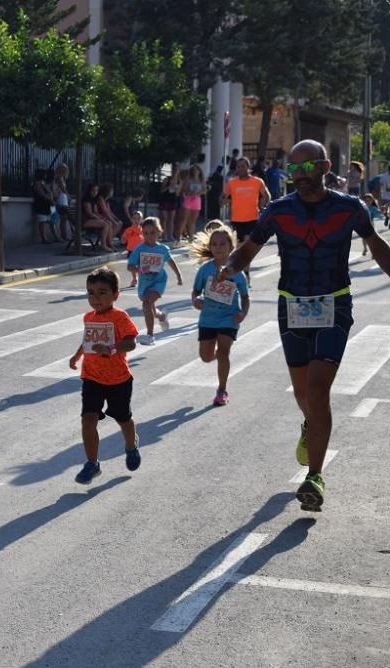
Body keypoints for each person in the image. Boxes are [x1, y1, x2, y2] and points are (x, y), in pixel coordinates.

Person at [216, 139, 390, 512]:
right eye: (292, 170)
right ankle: (311, 426)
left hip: (335, 303)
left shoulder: (350, 208)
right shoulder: (279, 211)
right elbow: (249, 247)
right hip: (291, 305)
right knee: (302, 394)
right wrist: (229, 268)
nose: (299, 176)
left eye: (306, 167)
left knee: (317, 388)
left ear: (325, 167)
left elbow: (376, 246)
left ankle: (314, 476)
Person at [68, 266, 140, 484]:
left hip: (118, 379)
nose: (95, 298)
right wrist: (77, 355)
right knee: (88, 419)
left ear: (115, 295)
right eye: (91, 292)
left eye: (102, 292)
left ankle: (131, 445)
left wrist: (111, 349)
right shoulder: (88, 316)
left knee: (123, 418)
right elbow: (88, 340)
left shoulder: (120, 317)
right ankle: (92, 463)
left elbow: (131, 342)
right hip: (91, 377)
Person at [189, 224, 250, 406]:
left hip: (228, 318)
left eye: (222, 244)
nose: (218, 247)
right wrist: (196, 300)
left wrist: (243, 312)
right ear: (210, 247)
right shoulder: (205, 270)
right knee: (206, 357)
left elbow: (246, 297)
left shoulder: (237, 272)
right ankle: (218, 357)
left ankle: (222, 389)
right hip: (208, 318)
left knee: (223, 352)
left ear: (231, 247)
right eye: (214, 244)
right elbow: (195, 291)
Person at [127, 217, 183, 345]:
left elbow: (170, 261)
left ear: (159, 232)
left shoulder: (162, 249)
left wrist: (178, 275)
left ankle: (150, 336)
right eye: (145, 233)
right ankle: (161, 316)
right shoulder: (139, 249)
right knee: (150, 306)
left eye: (152, 232)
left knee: (146, 304)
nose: (149, 236)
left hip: (158, 282)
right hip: (144, 284)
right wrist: (140, 269)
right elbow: (130, 266)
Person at [220, 156, 269, 285]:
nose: (240, 169)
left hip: (252, 219)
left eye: (243, 166)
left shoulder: (257, 182)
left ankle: (245, 273)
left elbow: (266, 195)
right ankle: (239, 273)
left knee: (246, 247)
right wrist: (224, 200)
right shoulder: (231, 183)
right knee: (238, 249)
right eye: (238, 166)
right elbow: (223, 198)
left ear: (248, 168)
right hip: (236, 220)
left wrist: (264, 205)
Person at [81, 183, 115, 252]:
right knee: (105, 224)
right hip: (84, 221)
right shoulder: (86, 200)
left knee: (109, 223)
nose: (95, 192)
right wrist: (99, 218)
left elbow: (95, 212)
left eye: (96, 191)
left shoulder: (93, 199)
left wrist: (101, 217)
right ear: (89, 190)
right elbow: (89, 213)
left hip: (91, 220)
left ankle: (110, 244)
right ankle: (103, 245)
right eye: (93, 190)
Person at [178, 165, 205, 241]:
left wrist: (199, 193)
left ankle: (191, 236)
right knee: (184, 218)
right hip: (188, 199)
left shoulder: (201, 180)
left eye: (197, 170)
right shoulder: (188, 180)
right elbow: (184, 190)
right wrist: (190, 192)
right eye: (194, 170)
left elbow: (204, 190)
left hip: (197, 200)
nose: (195, 172)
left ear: (199, 171)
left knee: (193, 220)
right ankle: (179, 236)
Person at [157, 165, 181, 242]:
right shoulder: (167, 179)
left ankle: (170, 235)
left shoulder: (179, 181)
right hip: (165, 199)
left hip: (173, 200)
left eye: (176, 170)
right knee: (164, 218)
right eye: (174, 170)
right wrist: (168, 186)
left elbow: (178, 194)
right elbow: (161, 190)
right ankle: (164, 235)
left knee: (171, 219)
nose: (175, 172)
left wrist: (176, 189)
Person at [31, 168, 55, 243]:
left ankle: (45, 237)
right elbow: (41, 193)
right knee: (42, 221)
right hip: (40, 203)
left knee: (46, 220)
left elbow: (49, 191)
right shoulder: (37, 183)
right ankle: (43, 238)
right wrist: (48, 197)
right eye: (44, 174)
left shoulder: (43, 183)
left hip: (46, 204)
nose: (46, 175)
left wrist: (50, 197)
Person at [53, 163, 74, 243]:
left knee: (64, 218)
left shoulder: (58, 178)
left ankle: (64, 235)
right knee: (65, 217)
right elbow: (63, 189)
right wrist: (69, 197)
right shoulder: (59, 178)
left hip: (61, 199)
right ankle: (64, 235)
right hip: (61, 199)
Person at [122, 211, 144, 287]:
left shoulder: (143, 230)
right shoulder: (128, 230)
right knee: (132, 266)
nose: (136, 220)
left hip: (141, 251)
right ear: (132, 219)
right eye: (134, 218)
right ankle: (134, 279)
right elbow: (123, 238)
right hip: (131, 251)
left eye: (138, 219)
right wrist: (123, 240)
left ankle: (142, 279)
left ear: (141, 220)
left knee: (141, 266)